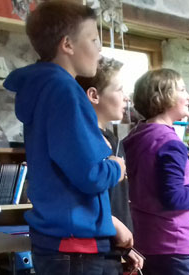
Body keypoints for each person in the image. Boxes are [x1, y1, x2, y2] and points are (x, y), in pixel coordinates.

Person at [3, 2, 125, 273]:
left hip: (60, 242)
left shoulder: (45, 87)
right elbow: (90, 174)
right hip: (75, 246)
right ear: (68, 45)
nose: (99, 48)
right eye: (94, 39)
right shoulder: (65, 92)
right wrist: (116, 167)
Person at [123, 68, 189, 274]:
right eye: (183, 90)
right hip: (171, 242)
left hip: (146, 239)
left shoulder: (139, 136)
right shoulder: (171, 142)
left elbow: (150, 179)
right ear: (164, 96)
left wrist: (186, 171)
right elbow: (174, 198)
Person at [76, 57, 144, 274]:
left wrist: (123, 250)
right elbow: (76, 199)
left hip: (109, 251)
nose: (126, 97)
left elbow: (113, 200)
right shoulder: (80, 140)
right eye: (120, 90)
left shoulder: (114, 142)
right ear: (94, 95)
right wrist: (113, 225)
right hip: (85, 255)